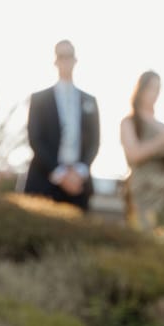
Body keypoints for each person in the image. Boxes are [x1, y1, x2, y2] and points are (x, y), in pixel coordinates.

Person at [23, 40, 100, 212]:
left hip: (78, 184)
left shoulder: (89, 101)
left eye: (69, 56)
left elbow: (94, 141)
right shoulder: (40, 99)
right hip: (44, 181)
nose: (65, 61)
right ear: (55, 61)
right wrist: (60, 174)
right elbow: (35, 138)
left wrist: (78, 173)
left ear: (75, 60)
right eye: (61, 56)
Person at [120, 71, 164, 229]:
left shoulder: (162, 126)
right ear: (141, 89)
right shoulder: (130, 122)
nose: (155, 93)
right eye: (151, 88)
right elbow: (134, 154)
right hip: (143, 190)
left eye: (158, 89)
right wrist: (162, 140)